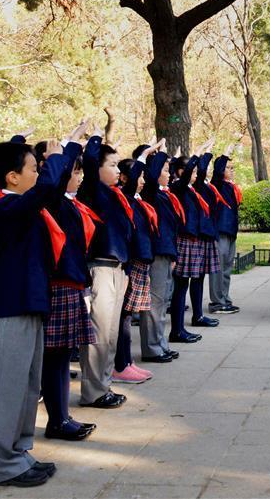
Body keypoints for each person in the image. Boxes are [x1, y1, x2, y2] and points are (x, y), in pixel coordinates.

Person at [0, 133, 74, 487]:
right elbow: (46, 188)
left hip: (32, 303)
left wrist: (66, 152)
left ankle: (20, 452)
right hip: (13, 306)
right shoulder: (5, 207)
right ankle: (4, 464)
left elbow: (50, 190)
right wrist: (55, 157)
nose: (39, 175)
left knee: (26, 385)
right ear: (12, 177)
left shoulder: (27, 206)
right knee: (8, 387)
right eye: (33, 169)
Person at [39, 122, 98, 441]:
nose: (77, 176)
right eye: (73, 172)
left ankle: (61, 417)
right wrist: (70, 144)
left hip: (72, 281)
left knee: (62, 357)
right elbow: (56, 178)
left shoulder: (69, 203)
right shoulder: (53, 200)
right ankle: (57, 419)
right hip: (60, 282)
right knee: (56, 357)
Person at [77, 128, 134, 409]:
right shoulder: (93, 190)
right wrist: (95, 139)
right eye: (111, 164)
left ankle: (104, 385)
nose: (117, 170)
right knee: (97, 333)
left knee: (109, 333)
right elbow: (88, 163)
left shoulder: (115, 195)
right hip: (99, 267)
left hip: (117, 268)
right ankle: (93, 391)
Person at [112, 143, 161, 384]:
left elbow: (151, 180)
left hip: (141, 260)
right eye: (138, 176)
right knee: (123, 316)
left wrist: (157, 156)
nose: (141, 180)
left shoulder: (140, 198)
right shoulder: (123, 196)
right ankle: (120, 364)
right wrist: (143, 156)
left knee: (127, 314)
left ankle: (127, 361)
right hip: (130, 261)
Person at [169, 138, 217, 342]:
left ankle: (194, 318)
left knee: (193, 281)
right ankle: (176, 330)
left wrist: (206, 154)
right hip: (185, 239)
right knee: (180, 287)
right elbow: (190, 172)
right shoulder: (178, 187)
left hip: (196, 238)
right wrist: (197, 153)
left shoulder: (191, 188)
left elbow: (200, 173)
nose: (196, 175)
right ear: (180, 171)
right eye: (192, 171)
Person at [139, 142, 182, 363]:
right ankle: (152, 348)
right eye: (165, 170)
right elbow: (153, 173)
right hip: (156, 252)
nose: (168, 174)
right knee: (154, 303)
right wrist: (160, 152)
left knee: (163, 301)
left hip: (166, 252)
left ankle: (161, 344)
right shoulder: (150, 192)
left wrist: (173, 255)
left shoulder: (164, 195)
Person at [189, 147, 222, 327]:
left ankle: (199, 314)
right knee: (195, 278)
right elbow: (201, 172)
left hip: (208, 233)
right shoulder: (196, 185)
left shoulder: (207, 184)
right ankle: (197, 315)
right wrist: (205, 154)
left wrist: (221, 156)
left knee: (200, 277)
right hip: (200, 235)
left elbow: (215, 176)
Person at [208, 145, 242, 314]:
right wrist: (225, 154)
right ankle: (216, 302)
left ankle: (225, 298)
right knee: (218, 268)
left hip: (230, 232)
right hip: (220, 231)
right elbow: (218, 169)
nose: (231, 170)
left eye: (232, 168)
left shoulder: (231, 186)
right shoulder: (217, 184)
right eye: (228, 168)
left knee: (227, 267)